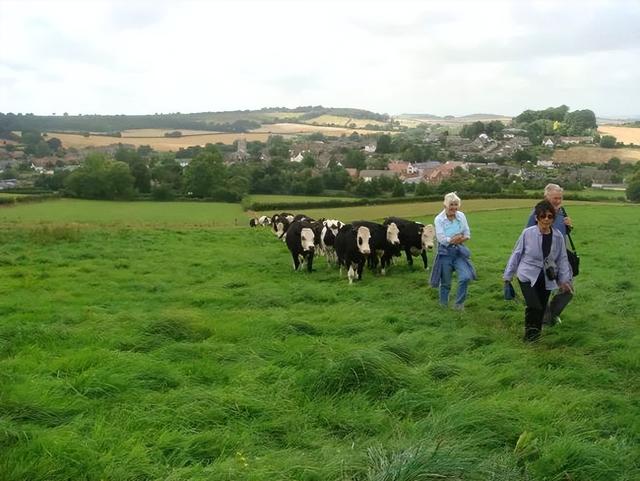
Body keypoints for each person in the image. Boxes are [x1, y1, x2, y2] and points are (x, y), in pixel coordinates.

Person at [504, 200, 573, 342]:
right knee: (533, 306)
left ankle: (535, 337)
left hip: (547, 276)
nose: (546, 219)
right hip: (527, 275)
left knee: (541, 308)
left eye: (550, 216)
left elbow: (562, 259)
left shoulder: (558, 236)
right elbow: (516, 253)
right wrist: (508, 275)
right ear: (537, 218)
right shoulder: (527, 233)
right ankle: (529, 338)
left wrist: (564, 280)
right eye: (543, 216)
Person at [525, 183, 574, 325]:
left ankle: (552, 314)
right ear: (546, 197)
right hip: (543, 259)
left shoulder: (561, 211)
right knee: (543, 290)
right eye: (555, 198)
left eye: (560, 198)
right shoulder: (537, 213)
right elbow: (529, 235)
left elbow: (562, 233)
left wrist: (569, 226)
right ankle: (545, 320)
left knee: (568, 290)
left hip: (561, 257)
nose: (558, 201)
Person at [430, 192, 476, 310]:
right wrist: (455, 238)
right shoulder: (439, 219)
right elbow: (442, 239)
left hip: (459, 251)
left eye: (456, 205)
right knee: (446, 283)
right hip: (445, 253)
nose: (454, 207)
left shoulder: (461, 216)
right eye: (451, 204)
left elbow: (467, 234)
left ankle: (459, 304)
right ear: (445, 205)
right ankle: (443, 306)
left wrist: (456, 239)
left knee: (465, 277)